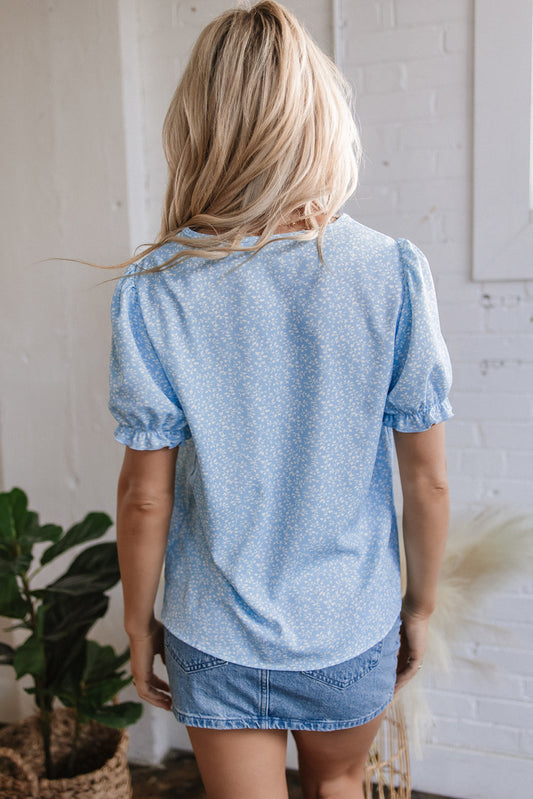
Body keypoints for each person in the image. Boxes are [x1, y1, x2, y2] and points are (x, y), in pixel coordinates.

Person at [108, 2, 452, 797]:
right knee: (339, 782)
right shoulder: (391, 272)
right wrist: (420, 606)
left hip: (213, 630)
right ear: (322, 121)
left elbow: (144, 495)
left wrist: (136, 621)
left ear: (197, 128)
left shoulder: (154, 287)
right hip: (348, 625)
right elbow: (427, 480)